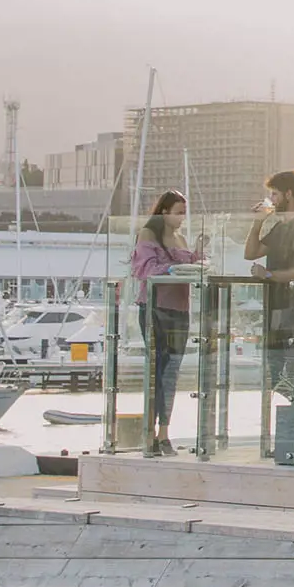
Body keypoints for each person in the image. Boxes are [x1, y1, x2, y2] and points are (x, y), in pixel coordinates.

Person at [129, 190, 199, 455]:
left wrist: (197, 257)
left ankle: (164, 433)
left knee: (171, 374)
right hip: (155, 308)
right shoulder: (148, 235)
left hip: (180, 309)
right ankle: (149, 433)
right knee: (156, 371)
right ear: (164, 212)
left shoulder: (181, 239)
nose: (182, 218)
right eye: (178, 212)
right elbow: (143, 270)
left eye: (184, 212)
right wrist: (169, 269)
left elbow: (189, 265)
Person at [244, 170, 294, 388]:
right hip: (276, 306)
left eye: (275, 195)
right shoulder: (280, 227)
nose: (272, 200)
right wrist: (258, 222)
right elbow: (251, 253)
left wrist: (268, 275)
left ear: (288, 194)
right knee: (274, 372)